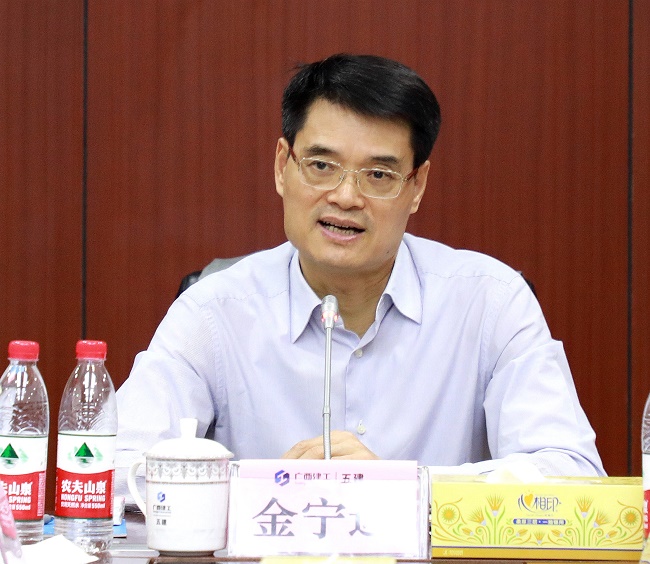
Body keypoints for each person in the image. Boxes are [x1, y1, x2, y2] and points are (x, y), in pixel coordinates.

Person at [115, 53, 604, 491]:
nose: (346, 197)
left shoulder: (490, 303)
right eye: (321, 166)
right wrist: (259, 489)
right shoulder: (213, 312)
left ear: (417, 186)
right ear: (283, 166)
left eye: (378, 175)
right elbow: (112, 472)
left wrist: (404, 488)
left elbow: (573, 475)